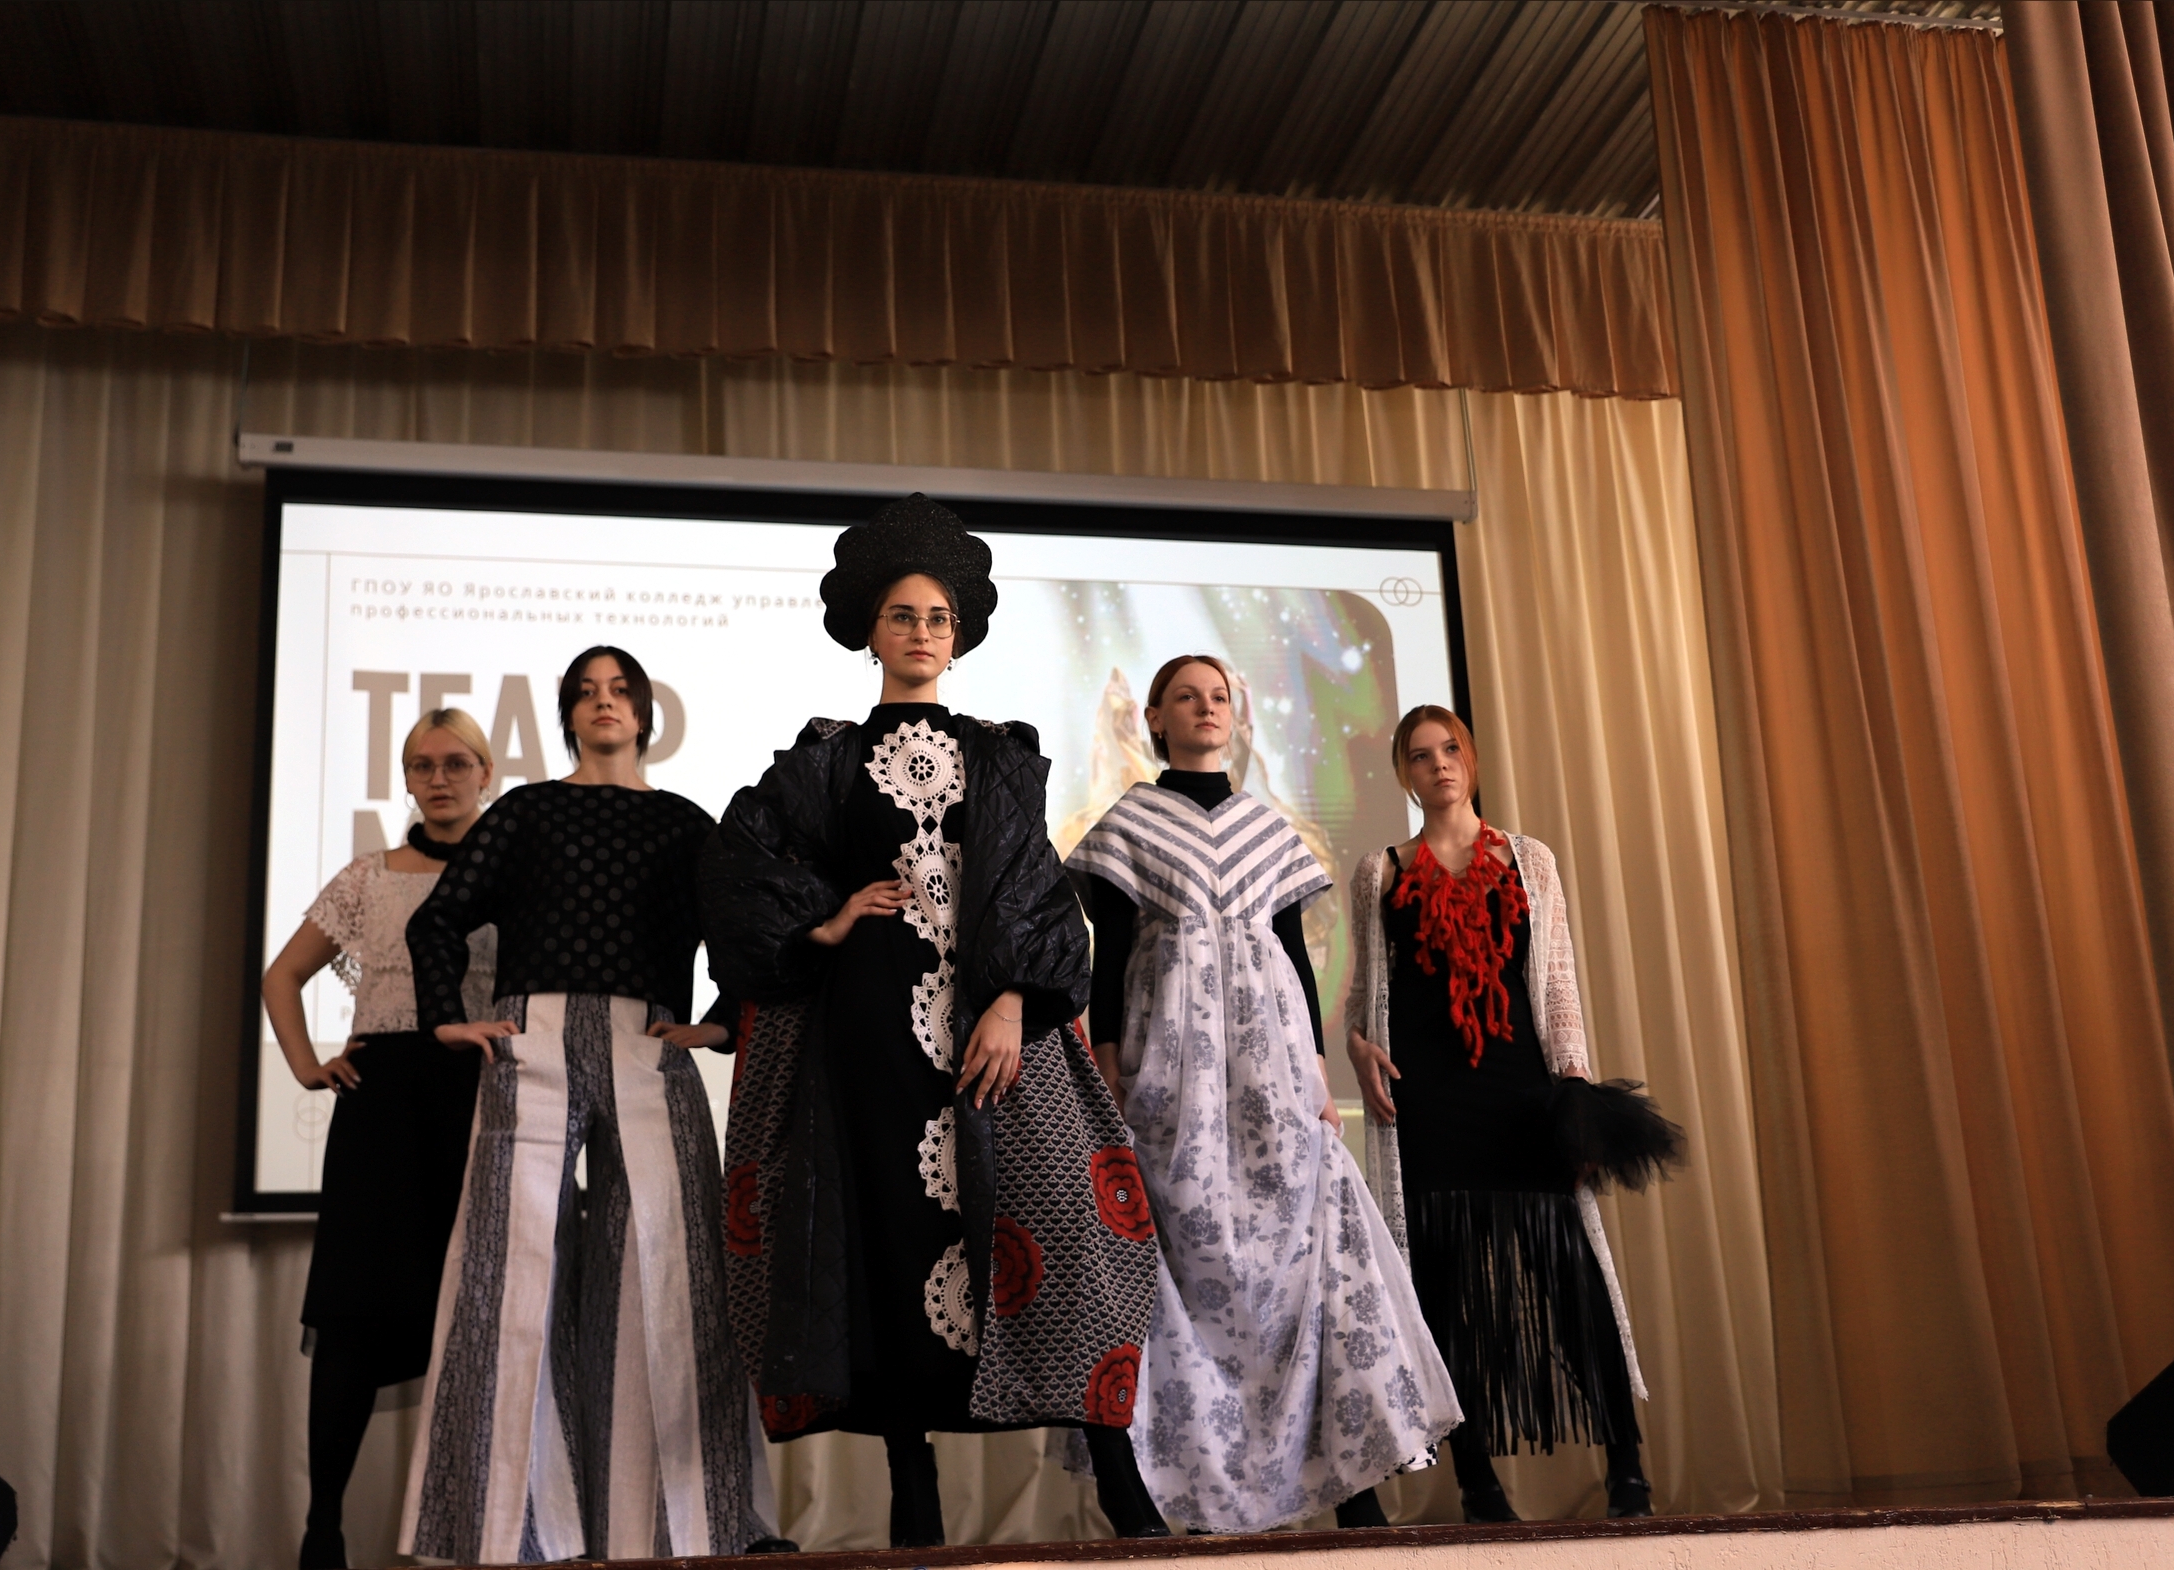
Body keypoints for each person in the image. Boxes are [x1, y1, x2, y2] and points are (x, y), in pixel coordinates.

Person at [700, 495, 1166, 1547]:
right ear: (871, 630)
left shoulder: (1001, 754)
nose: (921, 632)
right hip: (865, 1035)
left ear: (958, 638)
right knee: (883, 1241)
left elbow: (1037, 888)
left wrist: (1012, 1000)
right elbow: (737, 863)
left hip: (991, 1032)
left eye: (938, 619)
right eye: (903, 616)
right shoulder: (823, 757)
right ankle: (914, 1502)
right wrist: (824, 922)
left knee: (1066, 1231)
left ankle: (1123, 1488)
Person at [397, 647, 784, 1564]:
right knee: (508, 1274)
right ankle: (512, 1530)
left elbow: (747, 936)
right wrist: (445, 1017)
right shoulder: (526, 811)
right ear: (567, 714)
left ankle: (691, 1526)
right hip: (529, 1042)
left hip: (650, 1047)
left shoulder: (688, 825)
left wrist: (722, 1021)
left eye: (619, 691)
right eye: (585, 692)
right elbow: (436, 919)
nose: (603, 703)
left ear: (645, 712)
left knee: (672, 1272)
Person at [1066, 655, 1461, 1534]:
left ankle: (1351, 1486)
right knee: (1188, 1258)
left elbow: (1290, 953)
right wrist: (1111, 1061)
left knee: (1304, 1252)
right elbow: (1113, 952)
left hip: (1272, 1068)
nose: (1205, 709)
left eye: (1218, 697)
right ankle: (1190, 1490)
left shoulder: (1268, 827)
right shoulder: (1131, 823)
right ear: (1156, 719)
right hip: (1173, 1070)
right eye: (1185, 698)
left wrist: (1316, 1070)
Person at [1343, 705, 1656, 1521]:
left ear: (1471, 759)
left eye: (1450, 749)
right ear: (1404, 774)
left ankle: (1627, 1470)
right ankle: (1478, 1485)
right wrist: (1356, 1045)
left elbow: (1556, 982)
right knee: (1444, 1297)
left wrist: (1576, 1091)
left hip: (1521, 1093)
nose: (1439, 765)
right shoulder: (1379, 871)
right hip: (1428, 1104)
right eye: (1420, 756)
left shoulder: (1529, 859)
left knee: (1571, 1280)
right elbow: (1364, 990)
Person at [262, 707, 501, 1570]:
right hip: (384, 1111)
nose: (439, 779)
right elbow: (282, 976)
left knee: (488, 1314)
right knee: (355, 1316)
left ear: (486, 773)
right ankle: (323, 1529)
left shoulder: (514, 875)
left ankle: (489, 1532)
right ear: (406, 779)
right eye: (422, 765)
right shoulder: (368, 877)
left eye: (455, 763)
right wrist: (306, 1066)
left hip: (482, 1102)